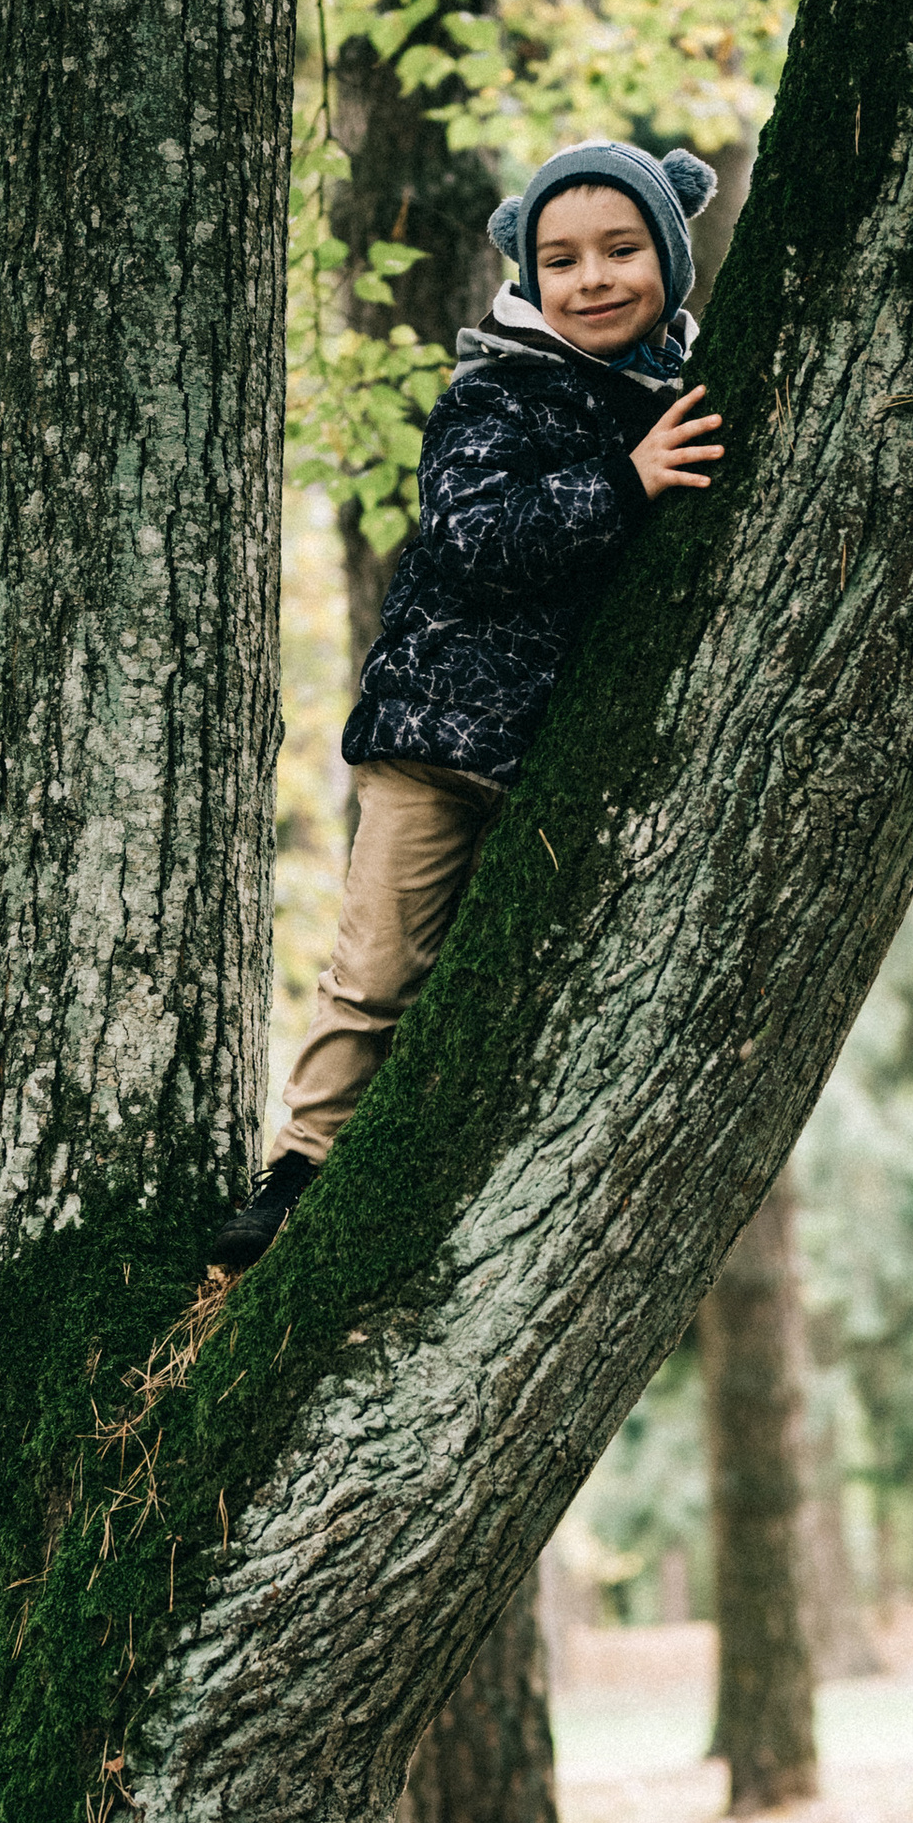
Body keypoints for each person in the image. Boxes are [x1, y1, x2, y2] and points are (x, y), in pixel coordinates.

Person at [207, 138, 726, 1274]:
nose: (593, 279)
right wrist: (624, 480)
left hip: (555, 754)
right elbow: (475, 538)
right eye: (562, 260)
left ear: (671, 260)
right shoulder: (498, 389)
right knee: (378, 966)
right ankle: (298, 1170)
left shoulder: (670, 391)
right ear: (528, 276)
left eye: (622, 251)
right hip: (441, 740)